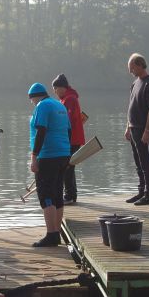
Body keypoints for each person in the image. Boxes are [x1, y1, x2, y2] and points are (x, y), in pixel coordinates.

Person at [27, 83, 71, 247]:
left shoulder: (42, 106)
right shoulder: (59, 106)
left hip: (47, 155)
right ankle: (56, 232)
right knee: (57, 193)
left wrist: (34, 156)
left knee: (46, 195)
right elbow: (69, 131)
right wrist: (67, 151)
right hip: (63, 154)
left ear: (34, 97)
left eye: (31, 100)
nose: (32, 103)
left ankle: (51, 235)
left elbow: (41, 131)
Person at [124, 53, 149, 205]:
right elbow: (131, 106)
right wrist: (127, 127)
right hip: (133, 128)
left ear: (140, 65)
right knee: (139, 163)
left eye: (132, 67)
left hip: (144, 130)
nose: (130, 71)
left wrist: (147, 131)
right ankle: (141, 191)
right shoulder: (135, 84)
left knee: (147, 164)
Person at [52, 73, 85, 205]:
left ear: (62, 87)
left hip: (71, 139)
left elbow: (68, 121)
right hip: (70, 138)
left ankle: (69, 195)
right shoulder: (67, 99)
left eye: (55, 88)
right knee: (69, 166)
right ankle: (71, 195)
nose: (54, 91)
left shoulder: (70, 99)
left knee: (67, 167)